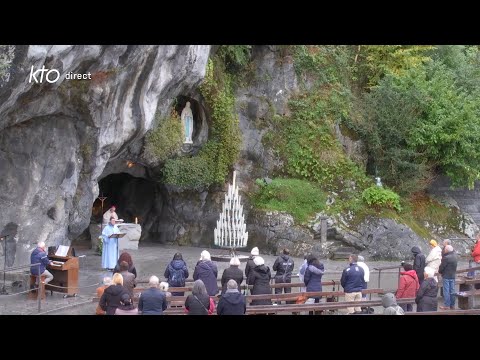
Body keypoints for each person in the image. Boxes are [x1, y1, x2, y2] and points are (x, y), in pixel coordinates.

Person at [438, 244, 457, 310]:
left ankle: (447, 305)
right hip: (453, 275)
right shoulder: (455, 256)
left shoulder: (446, 258)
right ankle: (452, 305)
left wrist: (440, 271)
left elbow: (441, 267)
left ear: (446, 250)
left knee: (446, 291)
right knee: (452, 290)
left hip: (446, 275)